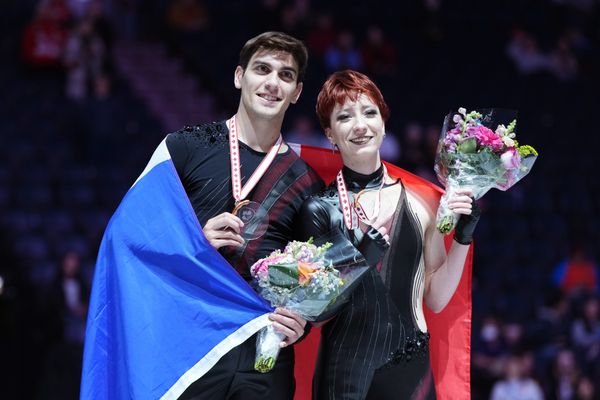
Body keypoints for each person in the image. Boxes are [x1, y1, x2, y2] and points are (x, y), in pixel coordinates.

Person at [298, 70, 481, 399]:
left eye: (369, 113)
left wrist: (463, 241)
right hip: (344, 367)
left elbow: (436, 299)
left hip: (408, 366)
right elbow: (316, 309)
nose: (360, 125)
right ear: (330, 133)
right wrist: (361, 259)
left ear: (383, 121)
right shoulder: (319, 209)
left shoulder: (422, 202)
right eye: (344, 117)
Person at [164, 31, 323, 399]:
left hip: (264, 356)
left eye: (285, 75)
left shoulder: (307, 182)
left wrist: (304, 323)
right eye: (262, 69)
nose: (272, 83)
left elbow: (315, 275)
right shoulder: (186, 146)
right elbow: (136, 237)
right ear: (239, 76)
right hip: (192, 347)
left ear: (297, 92)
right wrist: (195, 242)